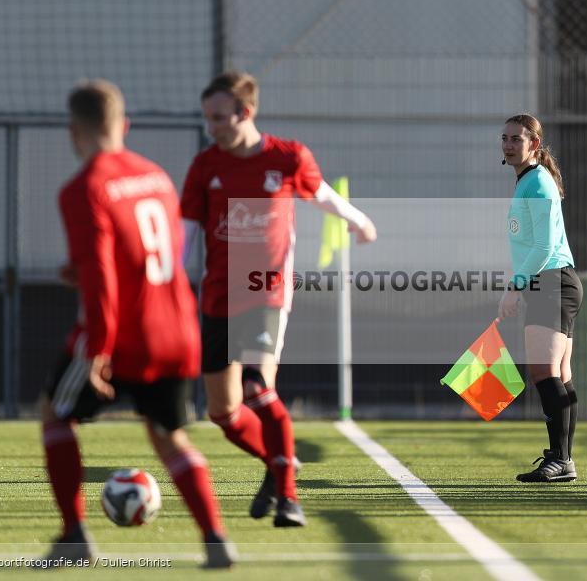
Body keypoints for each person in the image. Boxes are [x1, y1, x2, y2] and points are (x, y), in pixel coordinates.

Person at [40, 80, 235, 568]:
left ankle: (74, 538)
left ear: (74, 132)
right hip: (177, 331)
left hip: (122, 335)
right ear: (123, 125)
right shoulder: (156, 176)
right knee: (169, 437)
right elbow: (161, 252)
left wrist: (98, 351)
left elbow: (103, 280)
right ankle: (215, 540)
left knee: (55, 415)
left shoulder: (83, 189)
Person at [181, 71, 376, 527]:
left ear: (245, 113)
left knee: (258, 389)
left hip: (265, 291)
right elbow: (186, 230)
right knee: (223, 413)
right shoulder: (205, 166)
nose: (211, 128)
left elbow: (321, 193)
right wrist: (166, 278)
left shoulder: (287, 157)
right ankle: (278, 460)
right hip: (217, 299)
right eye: (207, 118)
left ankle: (288, 498)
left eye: (219, 118)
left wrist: (358, 220)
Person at [498, 113, 583, 483]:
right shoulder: (528, 181)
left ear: (534, 144)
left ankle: (561, 459)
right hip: (551, 282)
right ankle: (563, 458)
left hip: (552, 282)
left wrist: (515, 286)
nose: (508, 144)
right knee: (559, 374)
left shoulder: (537, 182)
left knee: (543, 372)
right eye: (505, 138)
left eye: (516, 138)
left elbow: (545, 246)